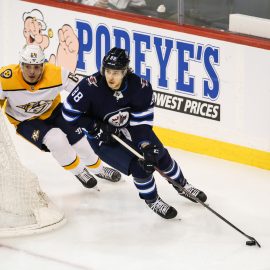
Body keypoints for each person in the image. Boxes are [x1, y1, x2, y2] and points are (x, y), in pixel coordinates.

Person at [62, 47, 207, 219]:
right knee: (140, 169)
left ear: (125, 71)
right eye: (108, 71)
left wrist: (144, 145)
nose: (110, 77)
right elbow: (68, 115)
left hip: (130, 129)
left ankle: (183, 186)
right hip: (103, 139)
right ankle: (152, 200)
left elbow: (141, 124)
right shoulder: (89, 87)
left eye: (116, 72)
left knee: (160, 156)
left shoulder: (140, 87)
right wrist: (94, 126)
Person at [0, 44, 121, 189]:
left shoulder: (56, 73)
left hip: (54, 111)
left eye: (37, 67)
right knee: (56, 139)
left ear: (43, 66)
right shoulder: (5, 78)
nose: (32, 72)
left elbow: (84, 90)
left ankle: (98, 169)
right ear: (21, 65)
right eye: (27, 66)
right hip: (25, 121)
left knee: (80, 141)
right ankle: (79, 171)